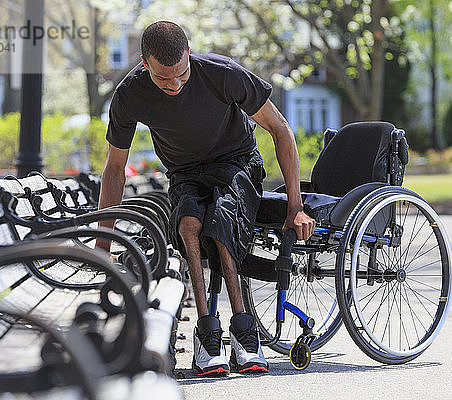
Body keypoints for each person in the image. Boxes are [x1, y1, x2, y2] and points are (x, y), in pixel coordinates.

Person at [97, 21, 316, 377]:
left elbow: (279, 128)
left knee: (220, 223)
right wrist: (102, 244)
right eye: (163, 79)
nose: (175, 85)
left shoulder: (222, 75)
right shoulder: (129, 95)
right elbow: (114, 170)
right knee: (187, 224)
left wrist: (296, 207)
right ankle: (207, 333)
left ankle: (245, 331)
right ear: (143, 64)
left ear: (189, 55)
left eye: (181, 74)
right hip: (185, 173)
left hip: (237, 162)